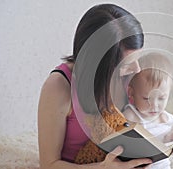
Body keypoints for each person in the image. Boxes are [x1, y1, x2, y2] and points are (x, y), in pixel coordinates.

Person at [38, 4, 152, 169]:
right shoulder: (58, 87)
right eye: (126, 64)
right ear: (98, 65)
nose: (137, 69)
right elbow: (48, 164)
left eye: (137, 58)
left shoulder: (130, 78)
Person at [122, 52, 173, 169]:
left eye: (161, 98)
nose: (155, 105)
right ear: (132, 93)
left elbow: (169, 139)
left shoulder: (167, 119)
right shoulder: (131, 116)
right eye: (147, 98)